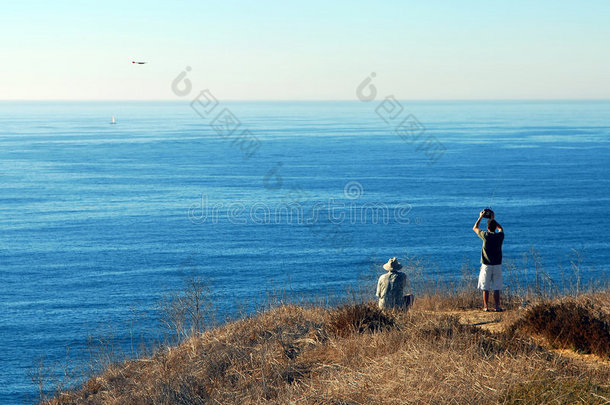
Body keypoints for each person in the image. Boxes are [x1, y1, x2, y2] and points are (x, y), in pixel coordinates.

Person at [473, 210, 505, 312]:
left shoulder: (485, 236)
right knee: (496, 287)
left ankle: (486, 307)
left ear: (487, 228)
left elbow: (475, 228)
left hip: (486, 265)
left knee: (485, 287)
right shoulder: (500, 237)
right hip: (497, 265)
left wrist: (481, 217)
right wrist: (492, 219)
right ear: (495, 227)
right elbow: (501, 229)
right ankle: (497, 307)